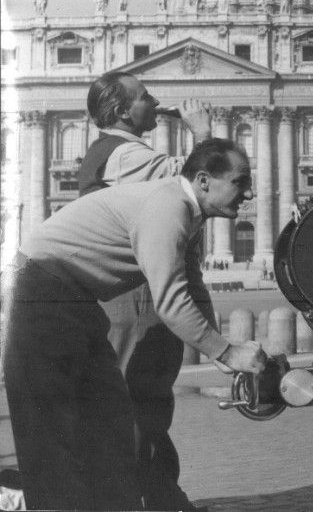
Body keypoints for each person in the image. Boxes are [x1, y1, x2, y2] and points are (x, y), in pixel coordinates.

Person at [2, 139, 266, 511]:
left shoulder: (186, 211)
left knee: (114, 420)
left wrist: (220, 352)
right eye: (240, 181)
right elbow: (171, 301)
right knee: (52, 436)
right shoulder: (168, 208)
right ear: (204, 181)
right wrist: (227, 352)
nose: (249, 192)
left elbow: (191, 284)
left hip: (75, 300)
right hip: (40, 294)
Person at [77, 71, 212, 509]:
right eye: (145, 97)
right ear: (121, 111)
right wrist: (203, 133)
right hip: (136, 292)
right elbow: (197, 186)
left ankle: (163, 496)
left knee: (145, 404)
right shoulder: (124, 155)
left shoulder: (119, 152)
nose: (155, 102)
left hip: (133, 291)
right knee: (135, 402)